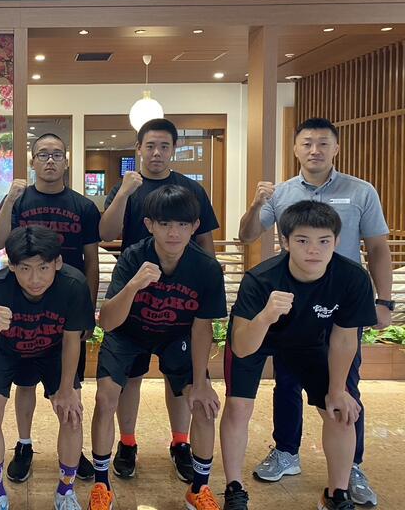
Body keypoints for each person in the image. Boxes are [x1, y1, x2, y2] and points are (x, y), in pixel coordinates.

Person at [238, 117, 392, 506]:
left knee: (344, 385)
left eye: (323, 143)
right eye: (307, 143)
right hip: (294, 303)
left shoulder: (361, 191)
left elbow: (377, 248)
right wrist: (257, 204)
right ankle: (286, 451)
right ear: (295, 149)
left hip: (343, 301)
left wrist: (384, 300)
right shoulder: (281, 193)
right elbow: (248, 235)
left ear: (336, 148)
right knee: (286, 382)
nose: (315, 150)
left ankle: (350, 467)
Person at [221, 201, 377, 510]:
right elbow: (241, 347)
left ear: (336, 241)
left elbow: (345, 338)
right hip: (257, 335)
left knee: (340, 410)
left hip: (309, 342)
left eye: (324, 241)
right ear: (286, 242)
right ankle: (234, 488)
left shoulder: (352, 278)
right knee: (238, 407)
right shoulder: (261, 280)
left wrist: (337, 390)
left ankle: (336, 494)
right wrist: (266, 316)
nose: (314, 250)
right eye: (303, 240)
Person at [88, 186, 226, 510]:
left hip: (177, 335)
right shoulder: (133, 257)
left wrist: (202, 382)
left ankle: (199, 487)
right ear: (150, 225)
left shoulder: (205, 267)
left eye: (182, 224)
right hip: (127, 333)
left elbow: (202, 327)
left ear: (195, 226)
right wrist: (134, 285)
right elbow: (107, 321)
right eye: (165, 224)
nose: (173, 233)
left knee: (202, 403)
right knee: (105, 398)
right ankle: (102, 482)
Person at [98, 118, 221, 483]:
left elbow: (205, 239)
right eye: (149, 146)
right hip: (136, 287)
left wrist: (204, 280)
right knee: (130, 378)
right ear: (139, 148)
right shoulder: (127, 187)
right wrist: (124, 192)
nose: (156, 153)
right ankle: (127, 443)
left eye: (164, 146)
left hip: (179, 300)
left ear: (173, 150)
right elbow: (106, 233)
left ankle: (180, 443)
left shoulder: (190, 189)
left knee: (179, 380)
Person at [0, 226, 95, 510]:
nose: (35, 279)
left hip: (53, 350)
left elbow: (72, 340)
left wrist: (67, 390)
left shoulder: (73, 284)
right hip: (4, 351)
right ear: (11, 266)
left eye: (43, 267)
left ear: (57, 262)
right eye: (25, 269)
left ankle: (66, 491)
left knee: (72, 414)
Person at [0, 132, 100, 482]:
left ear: (66, 161)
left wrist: (89, 312)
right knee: (24, 384)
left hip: (68, 305)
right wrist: (10, 199)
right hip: (25, 304)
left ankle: (73, 451)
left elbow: (92, 261)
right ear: (32, 161)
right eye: (42, 154)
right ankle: (24, 444)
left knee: (69, 386)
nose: (50, 160)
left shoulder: (83, 206)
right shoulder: (19, 201)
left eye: (56, 154)